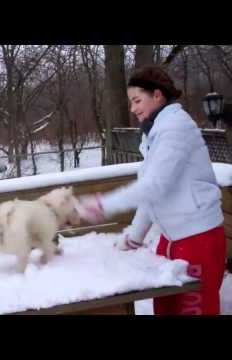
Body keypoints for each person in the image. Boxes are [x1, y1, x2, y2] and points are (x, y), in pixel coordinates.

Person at [77, 65, 226, 315]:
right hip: (171, 240)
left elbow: (155, 185)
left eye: (137, 100)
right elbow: (153, 195)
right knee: (164, 308)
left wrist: (105, 205)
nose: (133, 108)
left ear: (157, 95)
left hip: (198, 238)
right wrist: (135, 237)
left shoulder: (176, 128)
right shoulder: (153, 132)